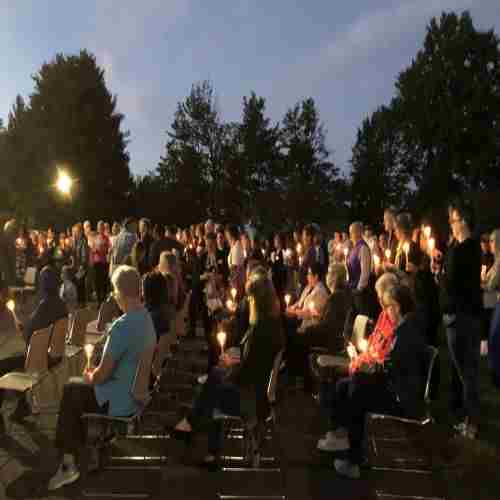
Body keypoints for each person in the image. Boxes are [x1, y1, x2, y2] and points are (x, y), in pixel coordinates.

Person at [47, 266, 156, 490]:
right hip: (136, 395)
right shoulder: (147, 320)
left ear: (119, 293)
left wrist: (90, 375)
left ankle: (68, 465)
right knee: (78, 389)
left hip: (117, 400)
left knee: (71, 390)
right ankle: (91, 445)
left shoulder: (121, 327)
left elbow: (100, 376)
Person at [170, 271, 285, 466]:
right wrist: (231, 362)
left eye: (250, 298)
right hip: (258, 393)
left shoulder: (259, 331)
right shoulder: (273, 325)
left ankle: (193, 428)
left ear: (257, 300)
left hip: (249, 398)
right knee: (214, 378)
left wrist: (230, 367)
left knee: (211, 386)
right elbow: (254, 362)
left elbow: (246, 374)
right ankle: (196, 435)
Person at [331, 284, 427, 479]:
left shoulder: (406, 332)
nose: (385, 311)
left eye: (388, 306)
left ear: (397, 307)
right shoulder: (405, 327)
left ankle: (355, 459)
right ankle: (349, 442)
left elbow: (391, 367)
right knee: (349, 385)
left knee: (357, 389)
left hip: (401, 397)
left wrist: (369, 368)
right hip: (396, 387)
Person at [0, 263, 68, 425]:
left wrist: (21, 325)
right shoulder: (60, 304)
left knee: (3, 365)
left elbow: (29, 334)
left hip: (40, 357)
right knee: (14, 361)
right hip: (53, 354)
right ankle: (22, 405)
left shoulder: (45, 305)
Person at [440, 200, 482, 439]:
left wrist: (441, 275)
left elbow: (452, 283)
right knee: (466, 371)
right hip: (466, 315)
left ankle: (472, 422)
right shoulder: (469, 248)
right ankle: (469, 418)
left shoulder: (463, 250)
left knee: (467, 372)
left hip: (460, 316)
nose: (450, 224)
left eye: (453, 220)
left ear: (463, 222)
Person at [91, 221, 111, 304]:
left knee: (103, 281)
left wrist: (103, 250)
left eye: (102, 227)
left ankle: (103, 299)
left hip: (104, 262)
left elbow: (108, 249)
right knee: (97, 282)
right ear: (98, 228)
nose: (101, 229)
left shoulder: (106, 238)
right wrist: (94, 251)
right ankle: (99, 301)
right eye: (99, 227)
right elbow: (92, 249)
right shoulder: (95, 238)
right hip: (96, 262)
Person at [71, 223, 89, 307]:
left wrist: (82, 265)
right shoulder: (75, 241)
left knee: (80, 283)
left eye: (76, 231)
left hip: (81, 266)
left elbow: (84, 254)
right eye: (74, 231)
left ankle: (82, 302)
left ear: (81, 232)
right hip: (76, 266)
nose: (74, 233)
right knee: (78, 283)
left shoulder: (83, 241)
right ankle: (79, 302)